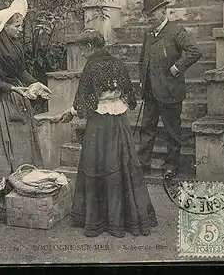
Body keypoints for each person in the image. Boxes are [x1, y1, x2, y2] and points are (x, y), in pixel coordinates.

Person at [53, 44, 158, 238]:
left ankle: (98, 219)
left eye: (84, 49)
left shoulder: (92, 66)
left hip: (100, 123)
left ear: (90, 48)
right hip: (120, 122)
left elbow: (86, 103)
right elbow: (128, 95)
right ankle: (126, 218)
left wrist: (71, 112)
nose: (83, 53)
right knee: (122, 165)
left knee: (97, 165)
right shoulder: (118, 63)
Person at [0, 0, 51, 178]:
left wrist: (35, 83)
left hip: (16, 96)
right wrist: (13, 89)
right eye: (17, 26)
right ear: (5, 27)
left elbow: (20, 72)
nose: (20, 29)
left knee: (21, 139)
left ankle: (21, 178)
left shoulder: (15, 46)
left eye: (20, 25)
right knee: (2, 143)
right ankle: (2, 182)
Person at [137, 0, 203, 179]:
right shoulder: (148, 34)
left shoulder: (175, 31)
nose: (149, 17)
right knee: (146, 129)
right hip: (150, 92)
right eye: (147, 14)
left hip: (170, 92)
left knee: (172, 131)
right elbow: (142, 59)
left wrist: (177, 67)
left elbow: (195, 51)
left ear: (163, 11)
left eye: (152, 13)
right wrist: (143, 78)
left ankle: (171, 166)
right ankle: (143, 165)